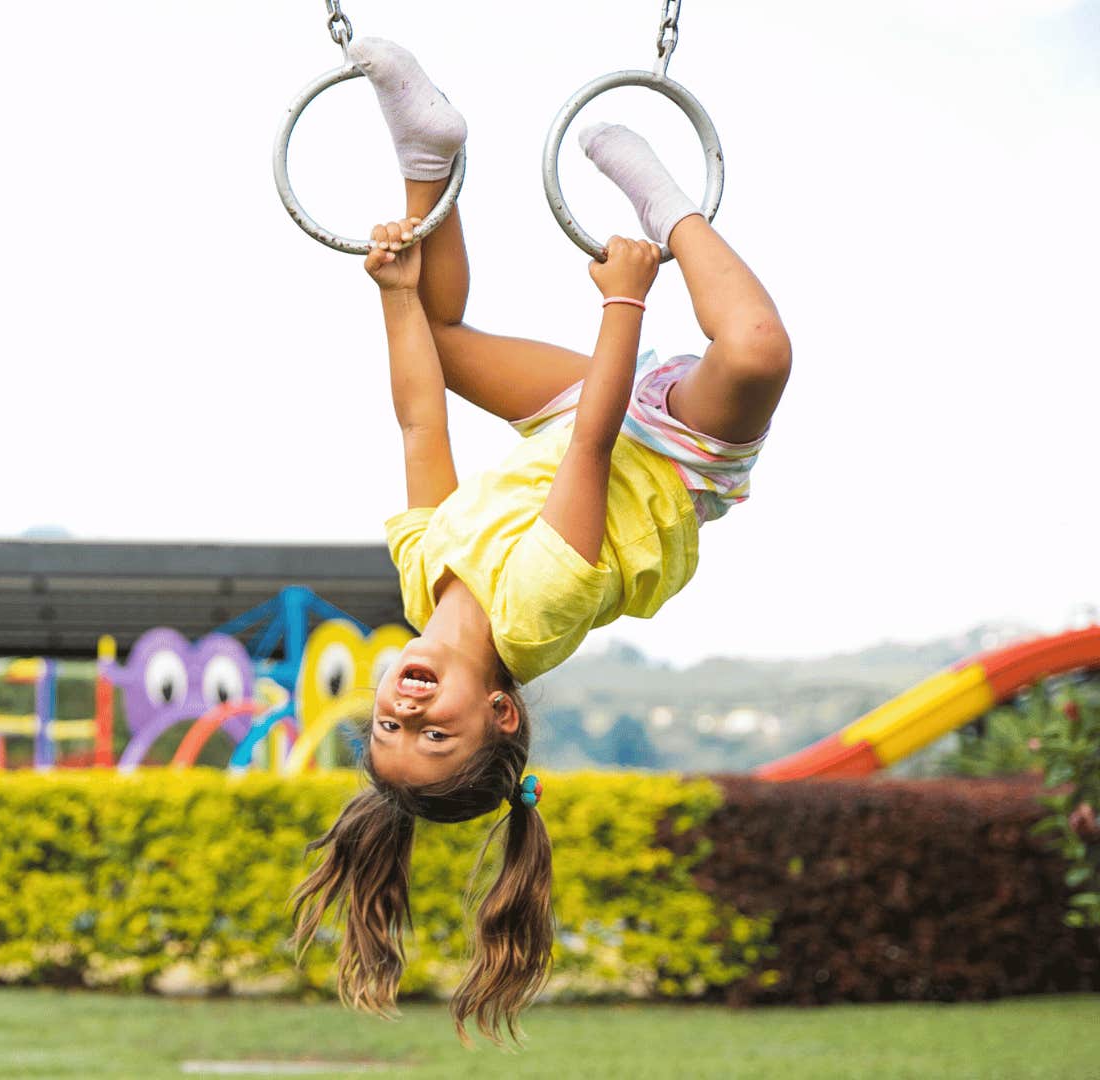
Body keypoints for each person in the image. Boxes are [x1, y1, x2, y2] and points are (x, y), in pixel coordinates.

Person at [292, 39, 791, 1045]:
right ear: (503, 714)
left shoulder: (422, 577)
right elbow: (598, 455)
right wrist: (626, 296)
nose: (406, 709)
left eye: (389, 729)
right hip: (674, 456)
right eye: (437, 734)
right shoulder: (534, 614)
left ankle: (425, 148)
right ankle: (670, 206)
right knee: (758, 352)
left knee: (434, 328)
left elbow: (420, 423)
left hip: (574, 417)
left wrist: (393, 296)